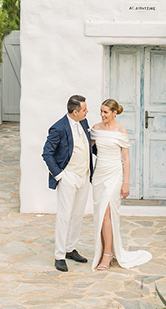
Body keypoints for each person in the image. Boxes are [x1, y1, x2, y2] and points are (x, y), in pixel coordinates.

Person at [91, 99, 152, 270]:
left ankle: (108, 255)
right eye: (101, 111)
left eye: (106, 112)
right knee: (100, 214)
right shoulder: (95, 129)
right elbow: (87, 149)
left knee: (107, 214)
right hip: (99, 175)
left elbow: (126, 159)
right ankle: (103, 249)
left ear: (114, 113)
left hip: (114, 175)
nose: (102, 115)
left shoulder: (121, 131)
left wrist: (126, 183)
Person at [42, 94, 95, 272]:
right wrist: (60, 176)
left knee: (78, 214)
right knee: (64, 216)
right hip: (68, 177)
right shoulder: (58, 128)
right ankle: (59, 255)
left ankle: (70, 248)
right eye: (84, 110)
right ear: (75, 111)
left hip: (84, 175)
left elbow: (88, 145)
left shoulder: (84, 122)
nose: (87, 112)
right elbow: (47, 153)